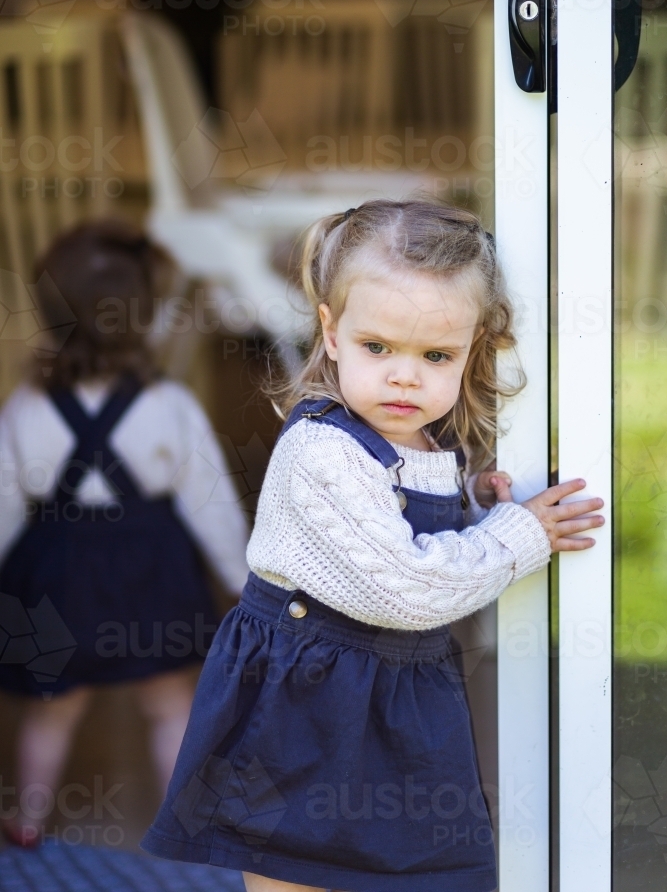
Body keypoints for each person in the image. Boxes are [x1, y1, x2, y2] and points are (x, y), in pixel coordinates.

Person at [142, 200, 604, 892]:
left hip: (389, 694)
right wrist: (520, 535)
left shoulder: (423, 439)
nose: (404, 376)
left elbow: (396, 527)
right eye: (377, 347)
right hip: (301, 698)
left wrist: (475, 504)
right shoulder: (320, 449)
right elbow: (408, 584)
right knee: (293, 870)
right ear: (330, 333)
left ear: (471, 350)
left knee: (402, 872)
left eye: (435, 355)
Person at [0, 220, 249, 847]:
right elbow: (210, 505)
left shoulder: (25, 407)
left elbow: (3, 504)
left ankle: (27, 822)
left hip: (57, 577)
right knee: (170, 705)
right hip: (152, 573)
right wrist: (248, 583)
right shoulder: (169, 405)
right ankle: (181, 826)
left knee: (50, 711)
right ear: (144, 318)